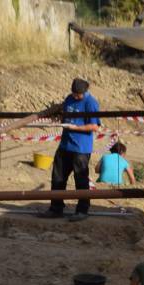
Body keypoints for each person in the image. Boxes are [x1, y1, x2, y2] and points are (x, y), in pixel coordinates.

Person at [42, 78, 100, 221]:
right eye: (73, 93)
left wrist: (76, 128)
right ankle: (56, 208)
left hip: (81, 148)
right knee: (58, 178)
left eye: (78, 94)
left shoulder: (90, 103)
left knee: (81, 179)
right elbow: (65, 115)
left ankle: (82, 210)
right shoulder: (69, 98)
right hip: (65, 144)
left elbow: (94, 127)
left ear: (84, 91)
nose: (75, 96)